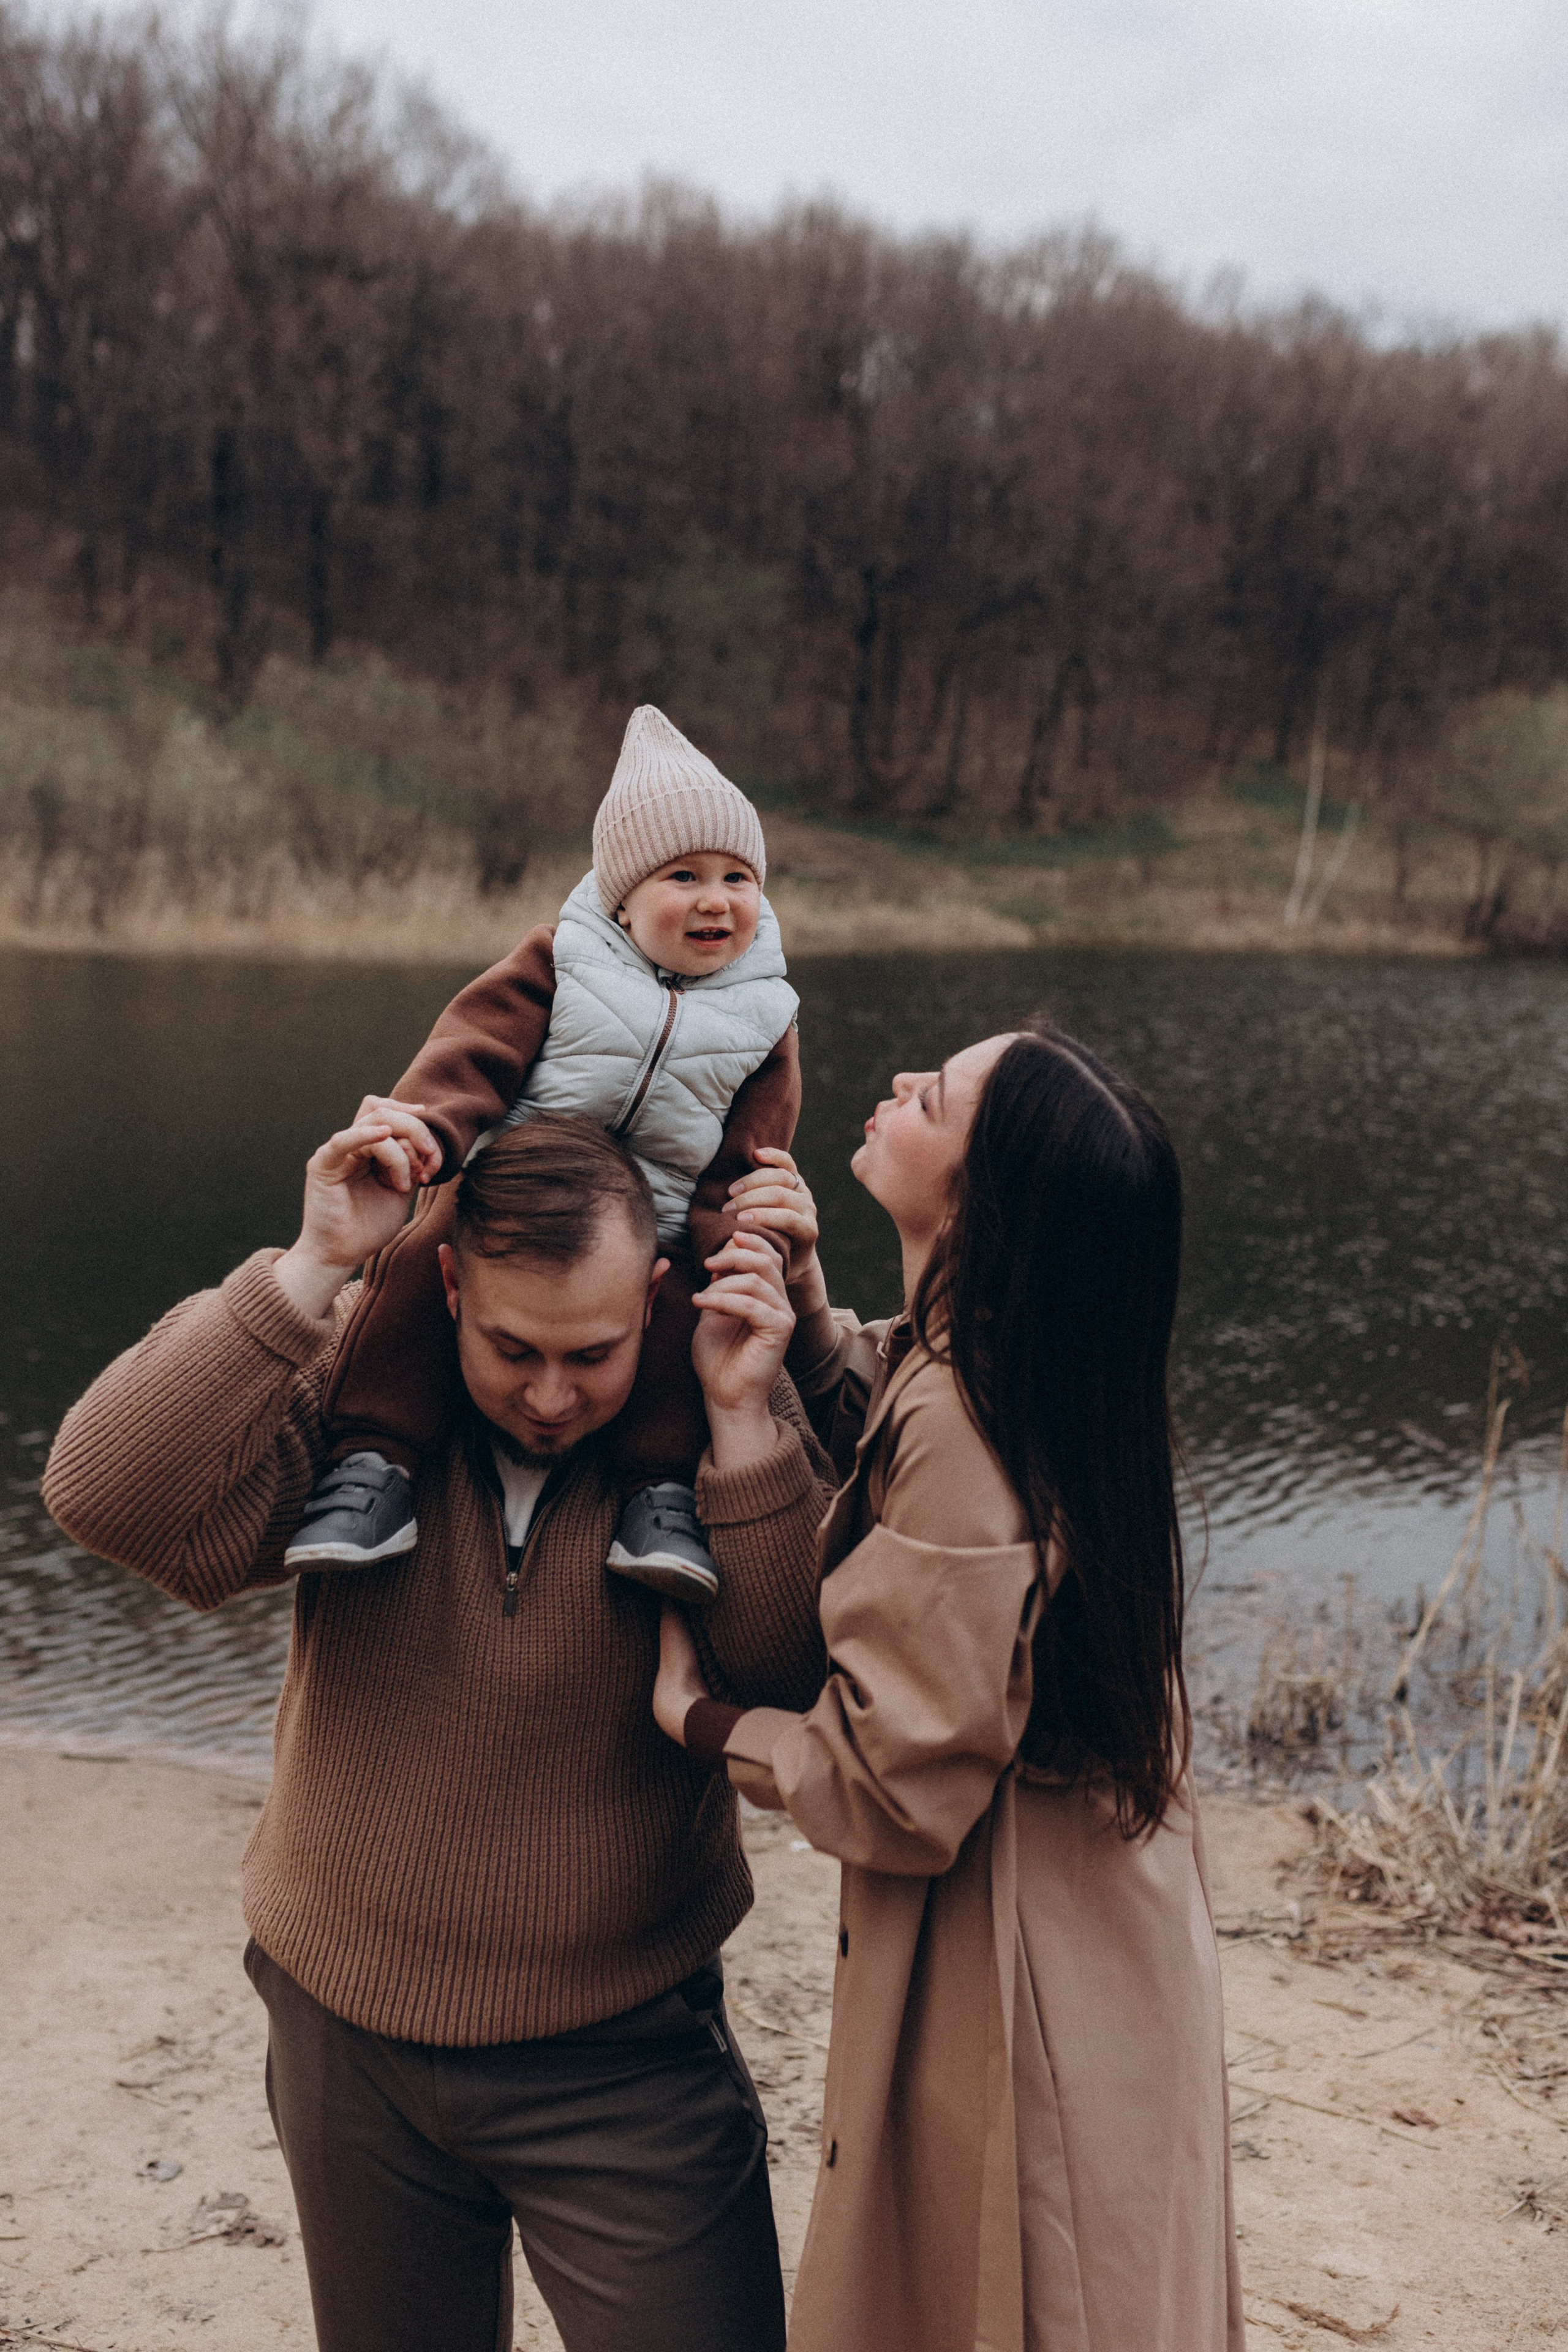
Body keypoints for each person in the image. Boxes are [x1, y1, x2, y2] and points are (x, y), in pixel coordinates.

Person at [42, 1107, 832, 2352]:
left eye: (596, 1352)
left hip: (627, 2060)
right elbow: (103, 1494)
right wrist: (316, 1267)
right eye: (515, 1348)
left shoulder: (719, 1437)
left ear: (658, 1298)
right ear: (452, 1284)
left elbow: (789, 1677)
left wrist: (740, 1422)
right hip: (345, 2044)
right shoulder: (354, 1417)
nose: (552, 1396)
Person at [655, 1024, 1248, 2352]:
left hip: (1017, 1954)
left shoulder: (966, 1423)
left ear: (982, 1207)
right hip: (1105, 1928)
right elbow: (896, 1409)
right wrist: (809, 1320)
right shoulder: (1023, 1365)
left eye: (927, 1099)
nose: (890, 1091)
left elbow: (888, 1790)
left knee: (1010, 2281)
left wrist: (704, 1724)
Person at [284, 701, 799, 1608]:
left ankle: (659, 1496)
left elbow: (751, 1146)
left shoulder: (767, 1011)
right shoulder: (565, 958)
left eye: (739, 877)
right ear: (623, 898)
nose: (717, 899)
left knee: (682, 1315)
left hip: (665, 1214)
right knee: (412, 1267)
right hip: (509, 1188)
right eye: (684, 875)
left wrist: (737, 1239)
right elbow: (472, 1052)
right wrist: (429, 1135)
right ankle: (374, 1466)